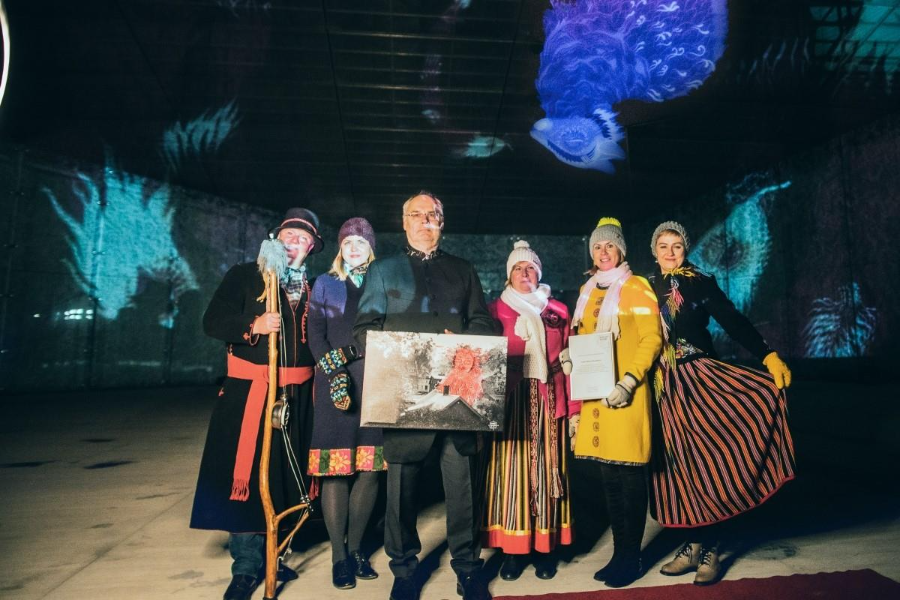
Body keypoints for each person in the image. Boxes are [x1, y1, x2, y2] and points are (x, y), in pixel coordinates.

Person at [353, 191, 496, 600]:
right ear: (404, 222)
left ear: (441, 222)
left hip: (456, 397)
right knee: (401, 491)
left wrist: (462, 340)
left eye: (432, 215)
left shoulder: (463, 270)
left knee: (462, 488)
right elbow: (363, 330)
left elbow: (484, 324)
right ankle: (404, 571)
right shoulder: (383, 271)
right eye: (416, 215)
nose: (424, 221)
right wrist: (406, 349)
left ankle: (468, 569)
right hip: (405, 395)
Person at [647, 221, 795, 586]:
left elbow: (732, 320)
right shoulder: (643, 286)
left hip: (699, 377)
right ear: (654, 252)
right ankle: (693, 544)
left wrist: (767, 354)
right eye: (663, 246)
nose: (670, 252)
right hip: (662, 387)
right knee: (679, 465)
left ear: (685, 249)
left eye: (676, 246)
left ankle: (711, 548)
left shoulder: (701, 282)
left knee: (708, 462)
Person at [190, 208, 324, 600]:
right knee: (249, 477)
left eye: (303, 239)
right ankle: (247, 568)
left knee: (285, 476)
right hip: (250, 394)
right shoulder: (245, 275)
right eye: (289, 235)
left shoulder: (316, 287)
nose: (294, 243)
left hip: (297, 398)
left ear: (312, 247)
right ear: (274, 238)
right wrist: (254, 325)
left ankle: (274, 554)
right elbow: (212, 322)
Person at [568, 217, 662, 588]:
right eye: (597, 246)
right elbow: (584, 337)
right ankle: (619, 554)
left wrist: (630, 380)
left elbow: (651, 339)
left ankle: (631, 557)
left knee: (629, 475)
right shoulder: (587, 290)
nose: (603, 252)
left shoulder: (636, 287)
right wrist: (571, 358)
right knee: (609, 477)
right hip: (597, 398)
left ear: (621, 250)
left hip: (626, 395)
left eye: (610, 245)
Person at [482, 241, 574, 581]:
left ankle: (545, 549)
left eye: (531, 268)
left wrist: (575, 409)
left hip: (549, 398)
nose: (525, 273)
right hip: (511, 402)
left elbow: (570, 359)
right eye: (518, 268)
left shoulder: (559, 310)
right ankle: (513, 551)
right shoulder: (494, 310)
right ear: (508, 275)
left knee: (549, 472)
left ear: (539, 273)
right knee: (512, 474)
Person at [307, 217, 385, 590]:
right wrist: (335, 369)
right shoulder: (326, 284)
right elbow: (315, 335)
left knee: (370, 469)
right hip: (336, 383)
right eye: (348, 243)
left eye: (361, 243)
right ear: (340, 249)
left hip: (376, 383)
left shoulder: (381, 282)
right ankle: (338, 556)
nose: (354, 248)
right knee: (336, 470)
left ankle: (356, 550)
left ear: (371, 249)